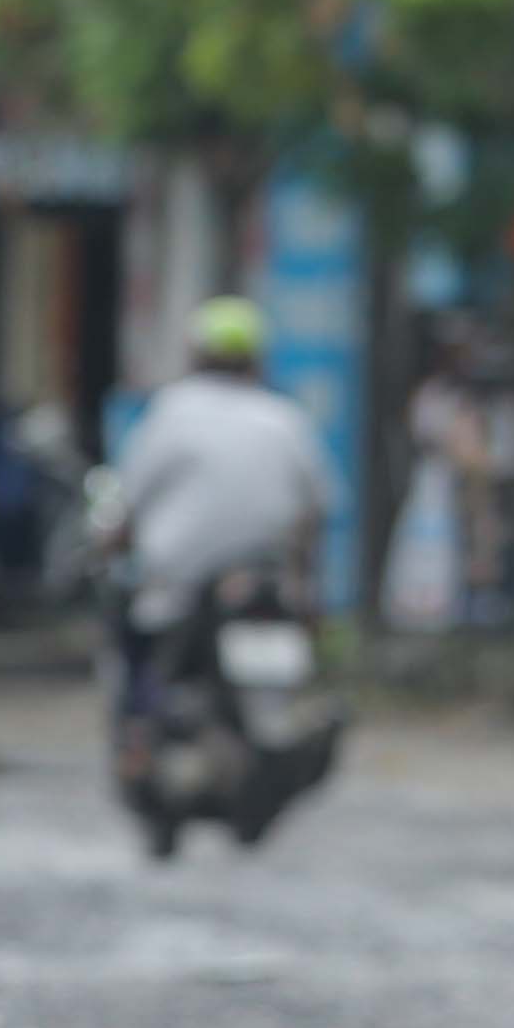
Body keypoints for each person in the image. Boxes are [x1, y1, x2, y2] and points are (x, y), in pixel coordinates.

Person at [98, 292, 336, 719]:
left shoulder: (171, 411)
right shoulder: (284, 418)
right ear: (256, 357)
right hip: (267, 580)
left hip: (179, 582)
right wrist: (308, 590)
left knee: (131, 637)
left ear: (196, 354)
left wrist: (110, 541)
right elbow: (316, 509)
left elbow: (129, 496)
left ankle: (136, 738)